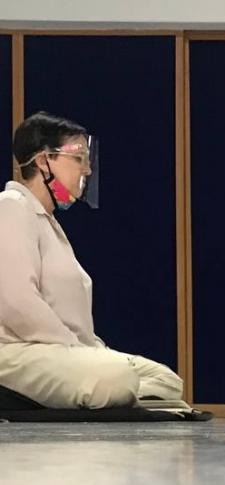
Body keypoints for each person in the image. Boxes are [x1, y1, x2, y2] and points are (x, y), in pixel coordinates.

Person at [0, 111, 182, 409]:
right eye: (78, 158)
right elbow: (17, 303)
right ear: (44, 161)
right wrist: (76, 350)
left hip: (67, 352)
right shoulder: (12, 208)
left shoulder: (48, 222)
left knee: (166, 381)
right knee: (118, 377)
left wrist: (88, 352)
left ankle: (104, 389)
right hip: (19, 351)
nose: (86, 170)